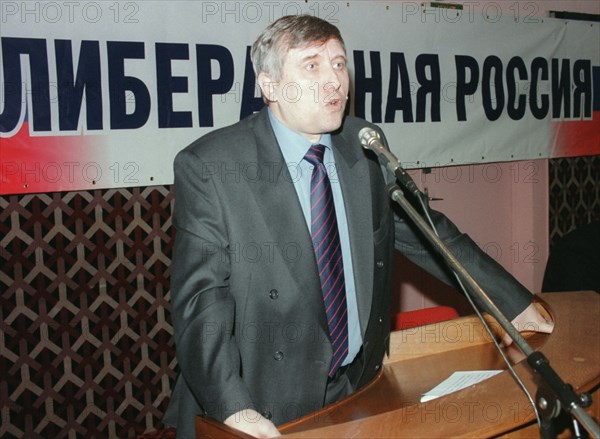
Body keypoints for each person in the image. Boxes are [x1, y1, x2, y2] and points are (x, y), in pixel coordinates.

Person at [163, 15, 552, 438]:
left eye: (338, 63)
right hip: (260, 405)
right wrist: (233, 408)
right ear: (269, 85)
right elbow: (201, 304)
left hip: (355, 390)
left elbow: (430, 234)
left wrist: (512, 302)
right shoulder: (213, 167)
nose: (334, 80)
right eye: (311, 65)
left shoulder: (363, 142)